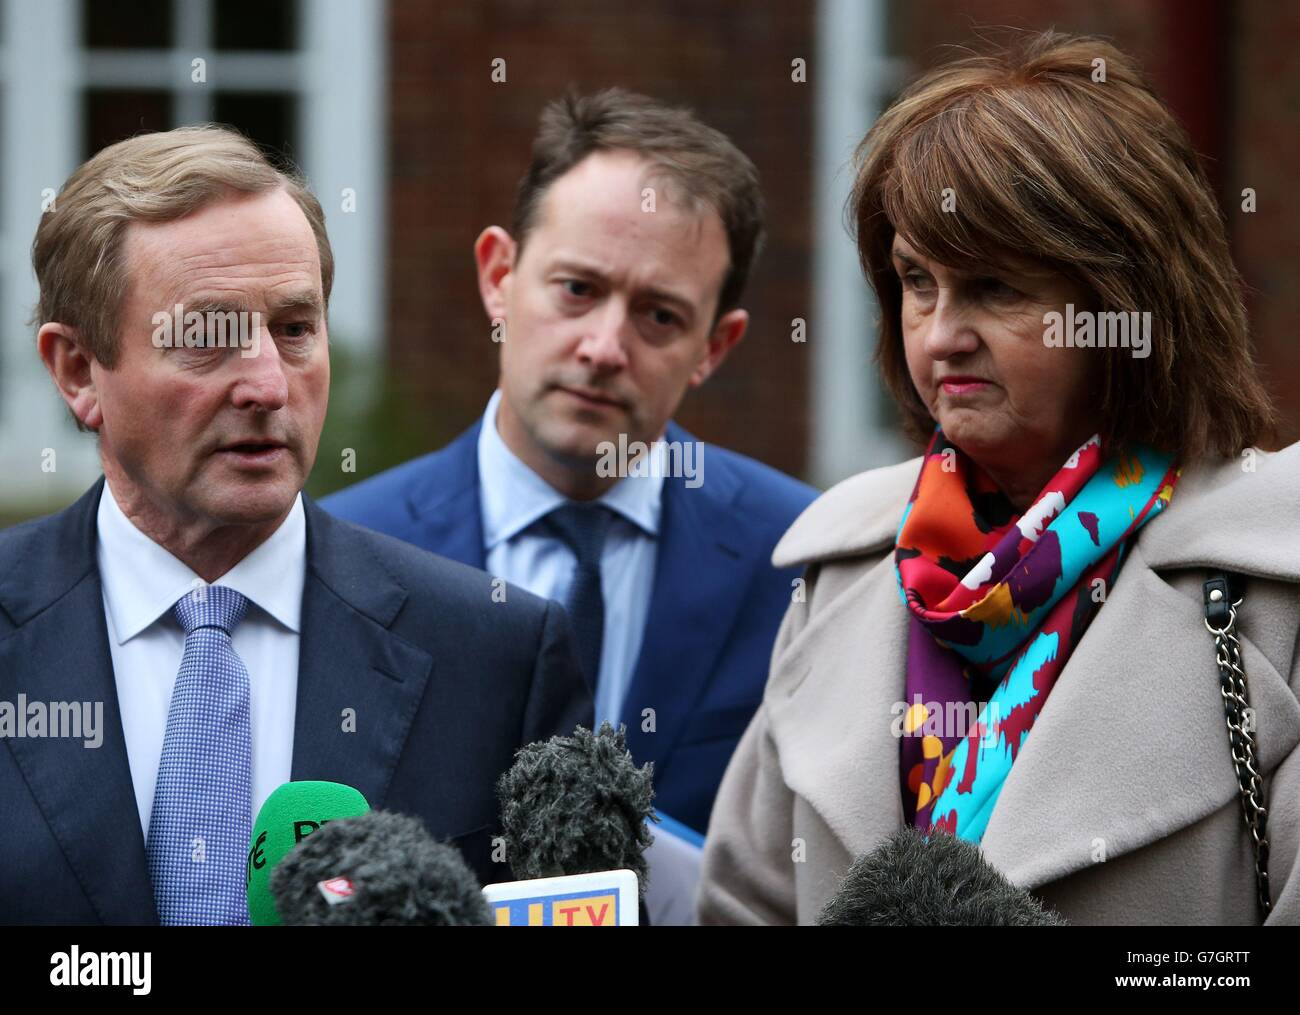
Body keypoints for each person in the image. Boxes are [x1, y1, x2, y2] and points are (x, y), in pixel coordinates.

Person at [698, 31, 1300, 925]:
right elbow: (742, 905)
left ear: (1125, 304)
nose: (940, 334)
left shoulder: (1272, 577)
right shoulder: (844, 567)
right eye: (916, 281)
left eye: (993, 288)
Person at [0, 126, 590, 925]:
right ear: (78, 370)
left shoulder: (495, 653)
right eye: (208, 336)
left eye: (294, 329)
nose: (268, 386)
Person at [324, 89, 817, 837]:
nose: (604, 347)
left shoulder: (801, 559)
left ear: (715, 347)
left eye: (660, 315)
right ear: (499, 276)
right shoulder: (343, 552)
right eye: (578, 289)